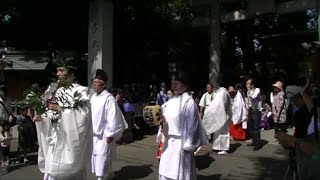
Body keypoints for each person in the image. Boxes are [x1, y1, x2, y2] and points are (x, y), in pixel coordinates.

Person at [33, 61, 91, 180]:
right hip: (54, 139)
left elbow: (83, 116)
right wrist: (43, 119)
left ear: (71, 73)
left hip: (68, 141)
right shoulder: (53, 90)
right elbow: (49, 111)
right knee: (51, 173)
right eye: (57, 70)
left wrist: (60, 108)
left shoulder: (79, 91)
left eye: (61, 70)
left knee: (70, 174)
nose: (58, 73)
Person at [159, 71, 208, 180]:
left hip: (181, 145)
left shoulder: (188, 102)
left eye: (177, 83)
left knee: (179, 173)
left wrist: (189, 145)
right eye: (173, 83)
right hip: (168, 143)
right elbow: (164, 118)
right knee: (166, 171)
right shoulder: (170, 101)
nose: (174, 86)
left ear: (185, 86)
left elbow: (192, 125)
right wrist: (161, 120)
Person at [276, 77, 320, 180]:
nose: (292, 102)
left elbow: (314, 149)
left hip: (307, 156)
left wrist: (293, 142)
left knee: (304, 172)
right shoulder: (310, 110)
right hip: (305, 149)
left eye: (293, 99)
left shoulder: (303, 113)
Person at [90, 69, 128, 180]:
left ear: (103, 85)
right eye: (94, 83)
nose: (94, 85)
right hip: (94, 133)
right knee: (98, 156)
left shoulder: (108, 98)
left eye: (97, 83)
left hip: (104, 134)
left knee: (103, 155)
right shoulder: (93, 97)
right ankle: (109, 174)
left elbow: (113, 116)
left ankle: (101, 177)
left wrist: (111, 133)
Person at [202, 81, 232, 155]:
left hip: (222, 114)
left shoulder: (222, 93)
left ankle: (224, 148)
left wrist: (210, 110)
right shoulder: (223, 92)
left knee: (223, 132)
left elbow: (217, 104)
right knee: (218, 131)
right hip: (221, 113)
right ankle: (217, 147)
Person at [246, 78, 262, 150]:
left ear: (252, 85)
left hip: (256, 110)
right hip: (251, 110)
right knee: (250, 127)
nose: (247, 85)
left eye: (248, 84)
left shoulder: (257, 90)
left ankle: (258, 143)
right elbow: (248, 102)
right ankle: (253, 141)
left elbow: (253, 97)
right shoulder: (248, 91)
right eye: (246, 84)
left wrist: (249, 90)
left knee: (256, 127)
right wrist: (247, 111)